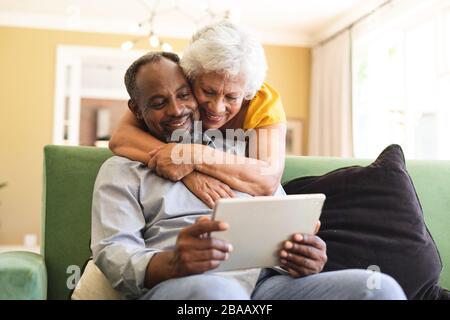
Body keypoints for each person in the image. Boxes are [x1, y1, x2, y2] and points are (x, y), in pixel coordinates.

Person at [91, 51, 406, 300]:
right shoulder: (121, 170)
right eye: (158, 103)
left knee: (379, 288)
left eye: (184, 95)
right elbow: (114, 250)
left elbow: (281, 217)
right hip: (187, 284)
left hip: (269, 285)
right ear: (135, 109)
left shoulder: (240, 151)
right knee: (220, 294)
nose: (176, 110)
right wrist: (173, 263)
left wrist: (307, 256)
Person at [109, 20, 287, 208]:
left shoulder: (262, 102)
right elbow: (121, 138)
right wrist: (188, 173)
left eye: (232, 97)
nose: (217, 108)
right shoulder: (178, 86)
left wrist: (194, 156)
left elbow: (267, 180)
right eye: (208, 91)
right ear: (190, 76)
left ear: (247, 92)